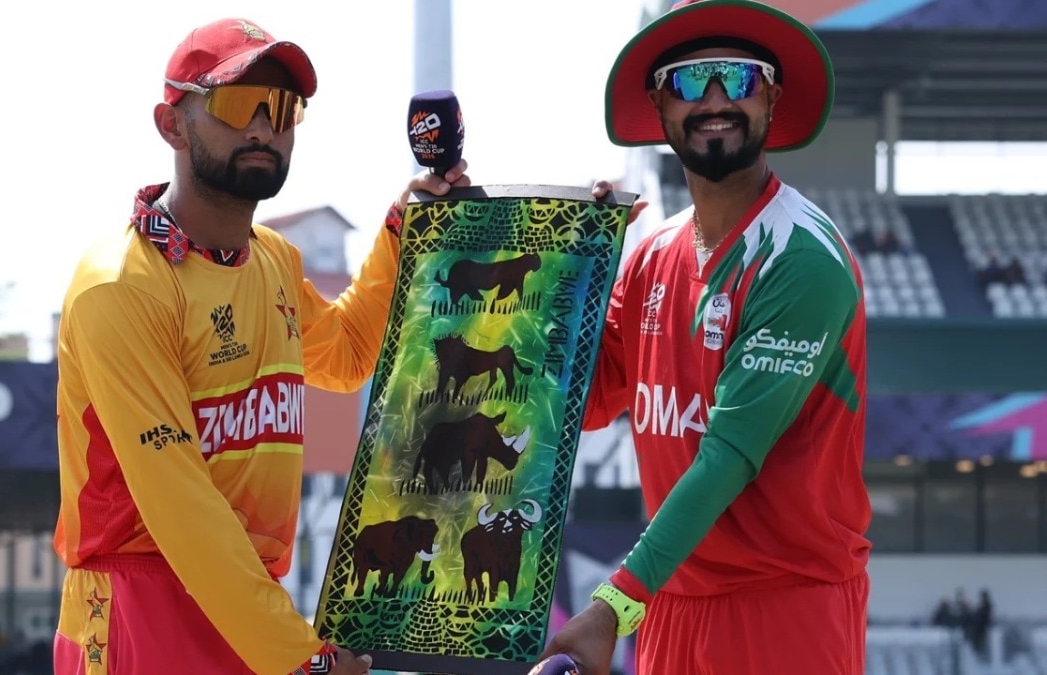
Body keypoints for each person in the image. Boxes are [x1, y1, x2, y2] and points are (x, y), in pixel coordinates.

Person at [50, 17, 469, 675]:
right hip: (137, 605)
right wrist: (306, 660)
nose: (264, 128)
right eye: (239, 103)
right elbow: (179, 506)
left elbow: (346, 355)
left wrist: (402, 229)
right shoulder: (120, 283)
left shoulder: (270, 259)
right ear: (171, 123)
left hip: (246, 605)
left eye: (283, 109)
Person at [543, 1, 871, 673]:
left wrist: (614, 604)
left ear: (772, 97)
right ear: (660, 105)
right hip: (671, 602)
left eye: (739, 79)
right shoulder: (651, 255)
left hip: (786, 609)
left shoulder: (801, 257)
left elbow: (726, 457)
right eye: (691, 82)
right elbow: (581, 400)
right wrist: (572, 260)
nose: (716, 100)